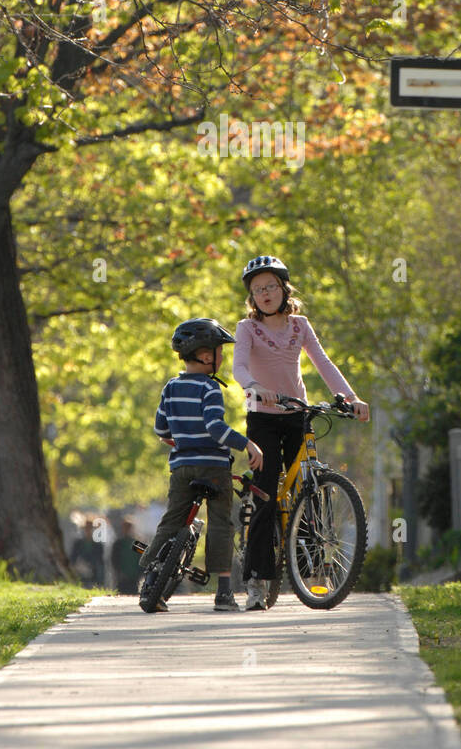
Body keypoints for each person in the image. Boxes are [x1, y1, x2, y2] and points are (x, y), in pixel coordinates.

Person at [232, 255, 370, 611]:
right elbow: (240, 365)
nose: (265, 293)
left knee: (312, 489)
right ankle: (257, 582)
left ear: (283, 289)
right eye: (258, 289)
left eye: (271, 286)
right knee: (266, 495)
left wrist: (350, 398)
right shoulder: (247, 328)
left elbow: (323, 362)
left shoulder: (300, 325)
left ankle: (316, 571)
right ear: (252, 295)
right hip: (263, 415)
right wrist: (252, 386)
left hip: (297, 413)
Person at [139, 318, 264, 613]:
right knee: (221, 524)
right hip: (214, 467)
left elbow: (161, 431)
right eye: (220, 351)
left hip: (182, 468)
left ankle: (150, 575)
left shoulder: (170, 387)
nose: (222, 357)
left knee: (172, 521)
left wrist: (182, 441)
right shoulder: (209, 388)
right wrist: (248, 444)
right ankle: (223, 594)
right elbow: (216, 428)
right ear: (206, 356)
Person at [111, 517, 142, 594]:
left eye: (129, 528)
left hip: (134, 577)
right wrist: (118, 572)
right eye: (125, 528)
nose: (127, 530)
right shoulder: (118, 543)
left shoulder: (137, 543)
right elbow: (114, 559)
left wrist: (140, 573)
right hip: (122, 577)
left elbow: (144, 558)